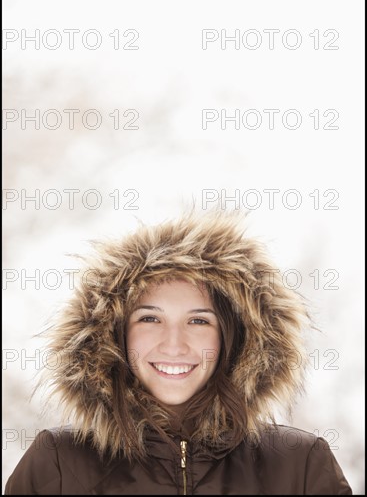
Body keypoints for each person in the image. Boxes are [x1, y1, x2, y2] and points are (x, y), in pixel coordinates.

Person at [5, 210, 352, 495]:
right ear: (115, 333)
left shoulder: (299, 466)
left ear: (234, 337)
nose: (173, 344)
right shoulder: (58, 464)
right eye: (150, 318)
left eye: (199, 321)